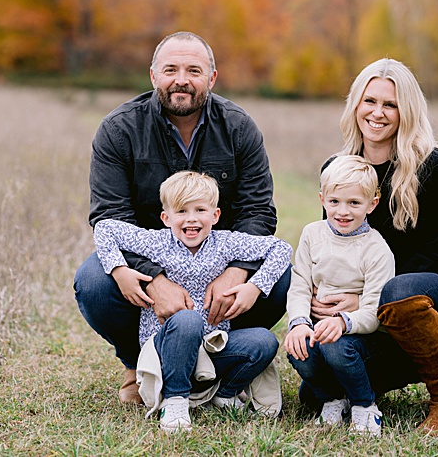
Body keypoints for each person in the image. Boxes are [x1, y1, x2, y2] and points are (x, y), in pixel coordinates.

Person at [73, 31, 291, 405]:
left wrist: (235, 271)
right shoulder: (119, 129)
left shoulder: (239, 128)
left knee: (281, 277)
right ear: (153, 75)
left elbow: (258, 210)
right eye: (170, 69)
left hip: (218, 263)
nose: (182, 80)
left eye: (194, 70)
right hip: (150, 257)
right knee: (94, 280)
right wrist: (156, 281)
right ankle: (138, 363)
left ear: (212, 77)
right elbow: (110, 215)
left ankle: (220, 359)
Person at [312, 58, 438, 435]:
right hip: (379, 306)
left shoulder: (433, 168)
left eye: (390, 105)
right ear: (355, 105)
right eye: (370, 101)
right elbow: (337, 249)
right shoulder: (339, 169)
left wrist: (363, 297)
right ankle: (383, 372)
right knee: (313, 393)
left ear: (406, 111)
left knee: (399, 290)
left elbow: (436, 260)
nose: (377, 113)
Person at [93, 171, 291, 433]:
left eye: (200, 210)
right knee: (187, 320)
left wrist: (255, 286)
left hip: (212, 348)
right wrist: (119, 268)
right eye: (182, 211)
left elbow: (281, 249)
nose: (192, 219)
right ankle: (175, 399)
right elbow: (105, 228)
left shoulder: (226, 243)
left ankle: (225, 393)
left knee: (264, 341)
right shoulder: (156, 242)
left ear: (215, 215)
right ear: (166, 218)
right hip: (167, 347)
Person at [284, 155, 395, 437]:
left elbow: (374, 311)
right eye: (334, 202)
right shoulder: (312, 234)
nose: (342, 211)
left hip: (362, 335)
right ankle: (332, 399)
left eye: (354, 203)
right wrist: (298, 322)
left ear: (372, 204)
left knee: (335, 345)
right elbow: (299, 285)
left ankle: (364, 404)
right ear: (323, 199)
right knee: (299, 348)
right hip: (319, 327)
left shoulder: (376, 249)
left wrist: (343, 322)